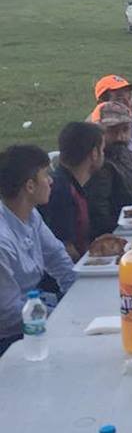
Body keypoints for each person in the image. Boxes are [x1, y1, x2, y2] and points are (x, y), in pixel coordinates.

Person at [0, 145, 76, 356]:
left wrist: (78, 297)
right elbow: (8, 313)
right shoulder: (3, 241)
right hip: (12, 338)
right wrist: (62, 318)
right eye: (46, 175)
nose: (51, 181)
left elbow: (58, 258)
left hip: (35, 312)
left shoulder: (30, 215)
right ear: (30, 186)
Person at [39, 122, 104, 261]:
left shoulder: (70, 184)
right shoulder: (62, 191)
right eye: (102, 150)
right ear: (94, 153)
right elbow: (65, 249)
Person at [86, 102, 132, 238]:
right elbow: (100, 219)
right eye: (113, 131)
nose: (121, 137)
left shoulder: (121, 153)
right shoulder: (100, 168)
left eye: (125, 130)